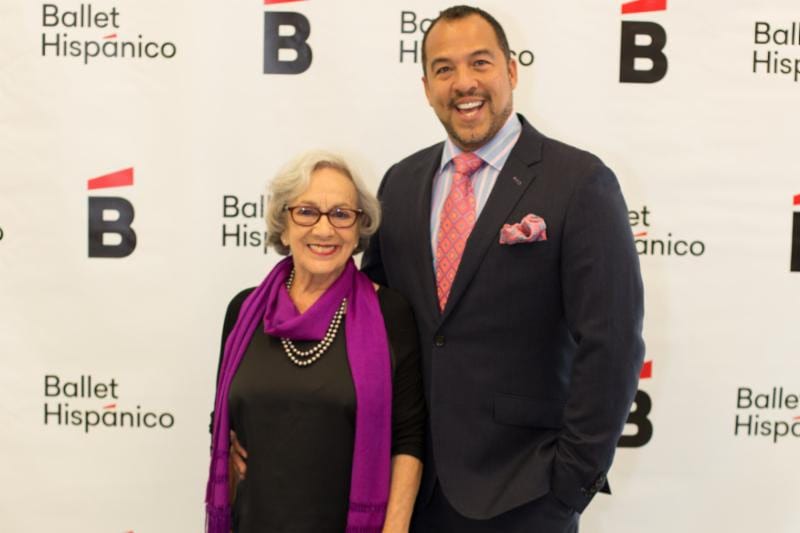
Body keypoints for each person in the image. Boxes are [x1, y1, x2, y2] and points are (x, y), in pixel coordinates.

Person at [361, 6, 645, 533]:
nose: (463, 83)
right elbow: (369, 326)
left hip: (527, 495)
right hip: (411, 495)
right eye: (444, 69)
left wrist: (570, 484)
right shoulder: (399, 184)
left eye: (480, 62)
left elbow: (613, 342)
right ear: (426, 87)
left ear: (511, 70)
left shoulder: (578, 182)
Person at [206, 151, 425, 533]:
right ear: (283, 226)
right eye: (306, 212)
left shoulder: (390, 313)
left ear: (359, 229)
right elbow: (224, 416)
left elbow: (408, 438)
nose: (324, 230)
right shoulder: (243, 311)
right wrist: (227, 446)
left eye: (341, 214)